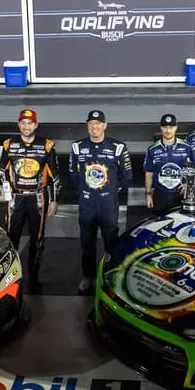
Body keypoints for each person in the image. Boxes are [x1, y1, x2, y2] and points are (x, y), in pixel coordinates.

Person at [69, 110, 132, 295]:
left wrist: (111, 190)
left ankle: (110, 277)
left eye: (98, 123)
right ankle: (87, 277)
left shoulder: (118, 147)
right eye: (91, 123)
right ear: (87, 126)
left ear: (105, 125)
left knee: (111, 243)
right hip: (87, 205)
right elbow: (73, 174)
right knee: (86, 243)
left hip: (107, 205)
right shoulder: (77, 147)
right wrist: (87, 190)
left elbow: (127, 176)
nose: (94, 127)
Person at [0, 109, 59, 288]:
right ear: (19, 124)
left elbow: (54, 177)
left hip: (38, 198)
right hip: (15, 198)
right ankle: (10, 276)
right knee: (11, 238)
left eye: (30, 123)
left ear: (36, 124)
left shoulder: (47, 145)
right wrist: (6, 189)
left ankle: (33, 276)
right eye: (23, 123)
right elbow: (2, 171)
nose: (26, 126)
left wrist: (54, 200)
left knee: (37, 239)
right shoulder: (9, 144)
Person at [144, 113, 195, 213]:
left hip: (180, 194)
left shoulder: (186, 146)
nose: (168, 131)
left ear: (176, 127)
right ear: (161, 128)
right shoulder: (152, 149)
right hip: (160, 194)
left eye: (171, 127)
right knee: (159, 220)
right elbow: (148, 173)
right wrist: (148, 194)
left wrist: (190, 183)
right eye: (165, 127)